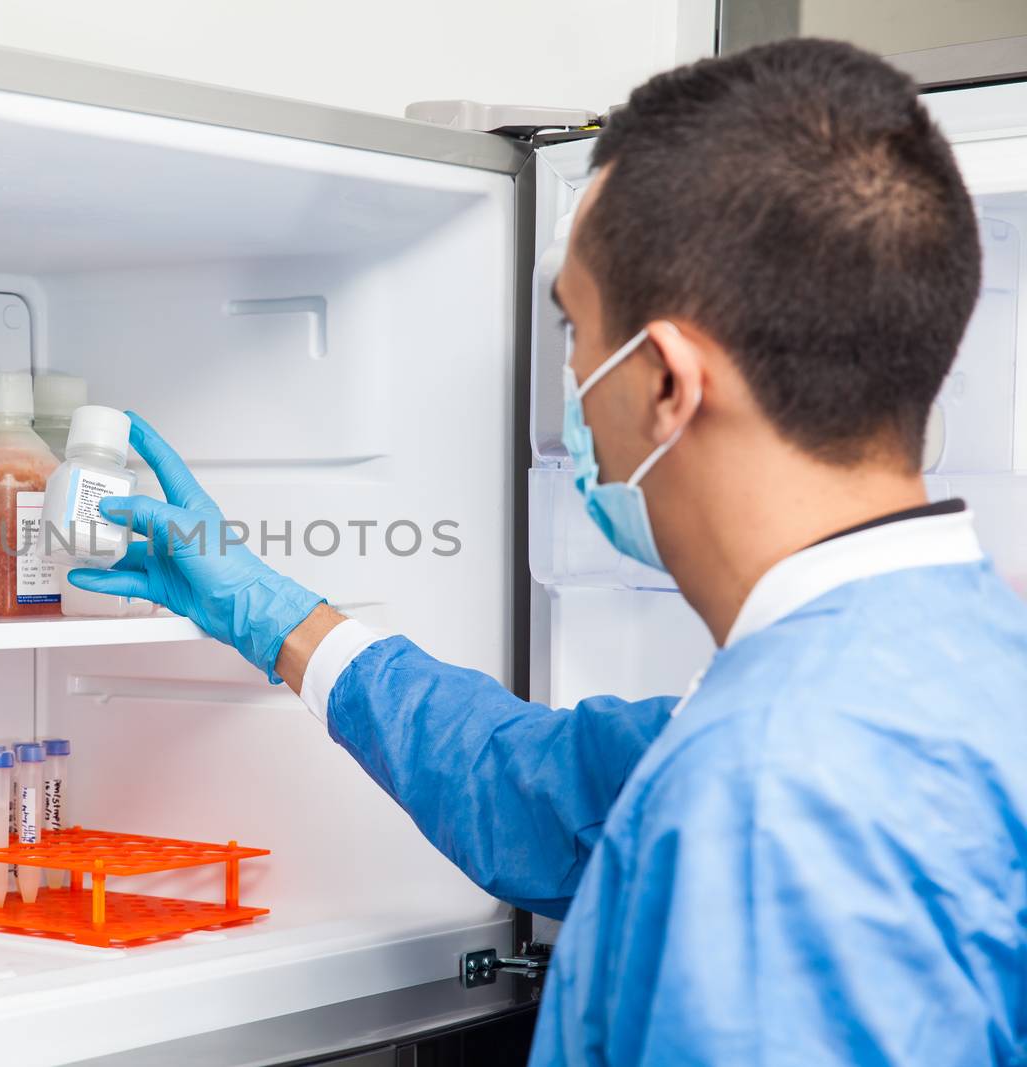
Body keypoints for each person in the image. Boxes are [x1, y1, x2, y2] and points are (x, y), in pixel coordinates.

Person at [69, 38, 1027, 1066]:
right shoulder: (960, 659)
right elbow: (547, 790)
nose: (569, 378)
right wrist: (269, 612)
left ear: (663, 380)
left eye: (574, 328)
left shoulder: (763, 801)